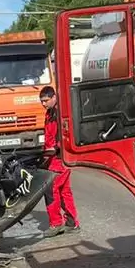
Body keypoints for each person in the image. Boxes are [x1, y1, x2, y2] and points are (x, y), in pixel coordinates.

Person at [39, 84, 80, 237]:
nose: (43, 103)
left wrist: (53, 150)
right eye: (41, 101)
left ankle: (56, 223)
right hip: (56, 158)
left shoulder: (59, 114)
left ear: (54, 97)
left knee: (51, 190)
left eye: (46, 100)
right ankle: (71, 222)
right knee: (64, 190)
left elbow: (63, 136)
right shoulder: (50, 113)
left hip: (58, 158)